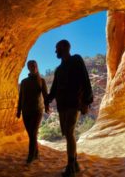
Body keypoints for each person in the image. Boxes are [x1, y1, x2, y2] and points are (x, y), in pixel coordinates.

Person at [47, 40, 93, 177]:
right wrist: (47, 99)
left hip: (74, 103)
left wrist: (86, 101)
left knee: (69, 132)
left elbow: (86, 80)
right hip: (62, 106)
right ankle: (75, 163)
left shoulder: (76, 60)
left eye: (58, 48)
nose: (56, 51)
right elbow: (54, 89)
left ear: (66, 47)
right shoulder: (59, 69)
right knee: (68, 134)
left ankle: (70, 166)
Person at [17, 60, 49, 164]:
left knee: (33, 133)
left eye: (35, 65)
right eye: (31, 66)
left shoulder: (41, 81)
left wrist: (47, 106)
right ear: (28, 68)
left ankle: (31, 156)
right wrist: (18, 110)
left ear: (37, 67)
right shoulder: (24, 82)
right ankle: (36, 153)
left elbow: (45, 95)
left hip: (37, 111)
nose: (34, 67)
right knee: (31, 134)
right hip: (26, 111)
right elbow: (21, 97)